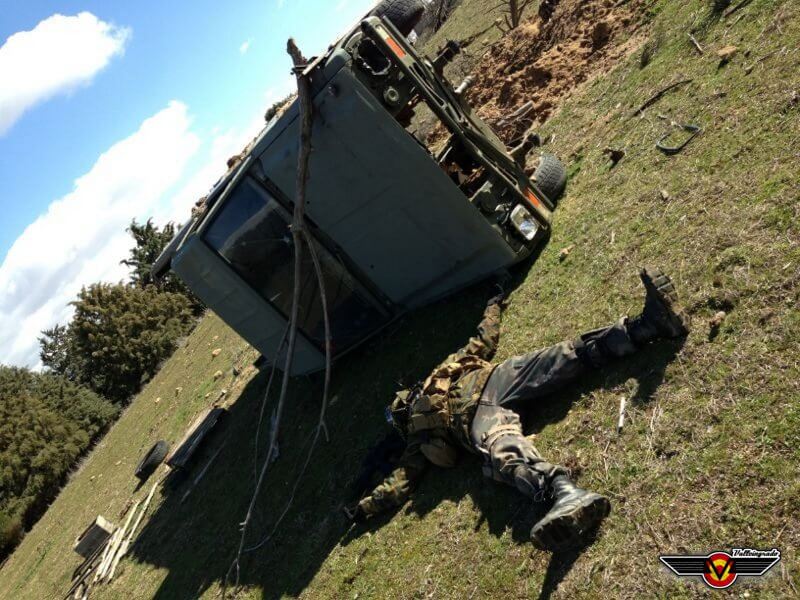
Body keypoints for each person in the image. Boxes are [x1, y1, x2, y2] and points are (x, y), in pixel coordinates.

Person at [345, 268, 688, 551]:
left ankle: (649, 325)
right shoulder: (417, 437)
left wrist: (493, 304)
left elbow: (482, 339)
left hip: (496, 379)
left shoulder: (444, 370)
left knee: (564, 355)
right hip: (477, 417)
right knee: (503, 449)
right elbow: (400, 482)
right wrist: (365, 508)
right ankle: (563, 492)